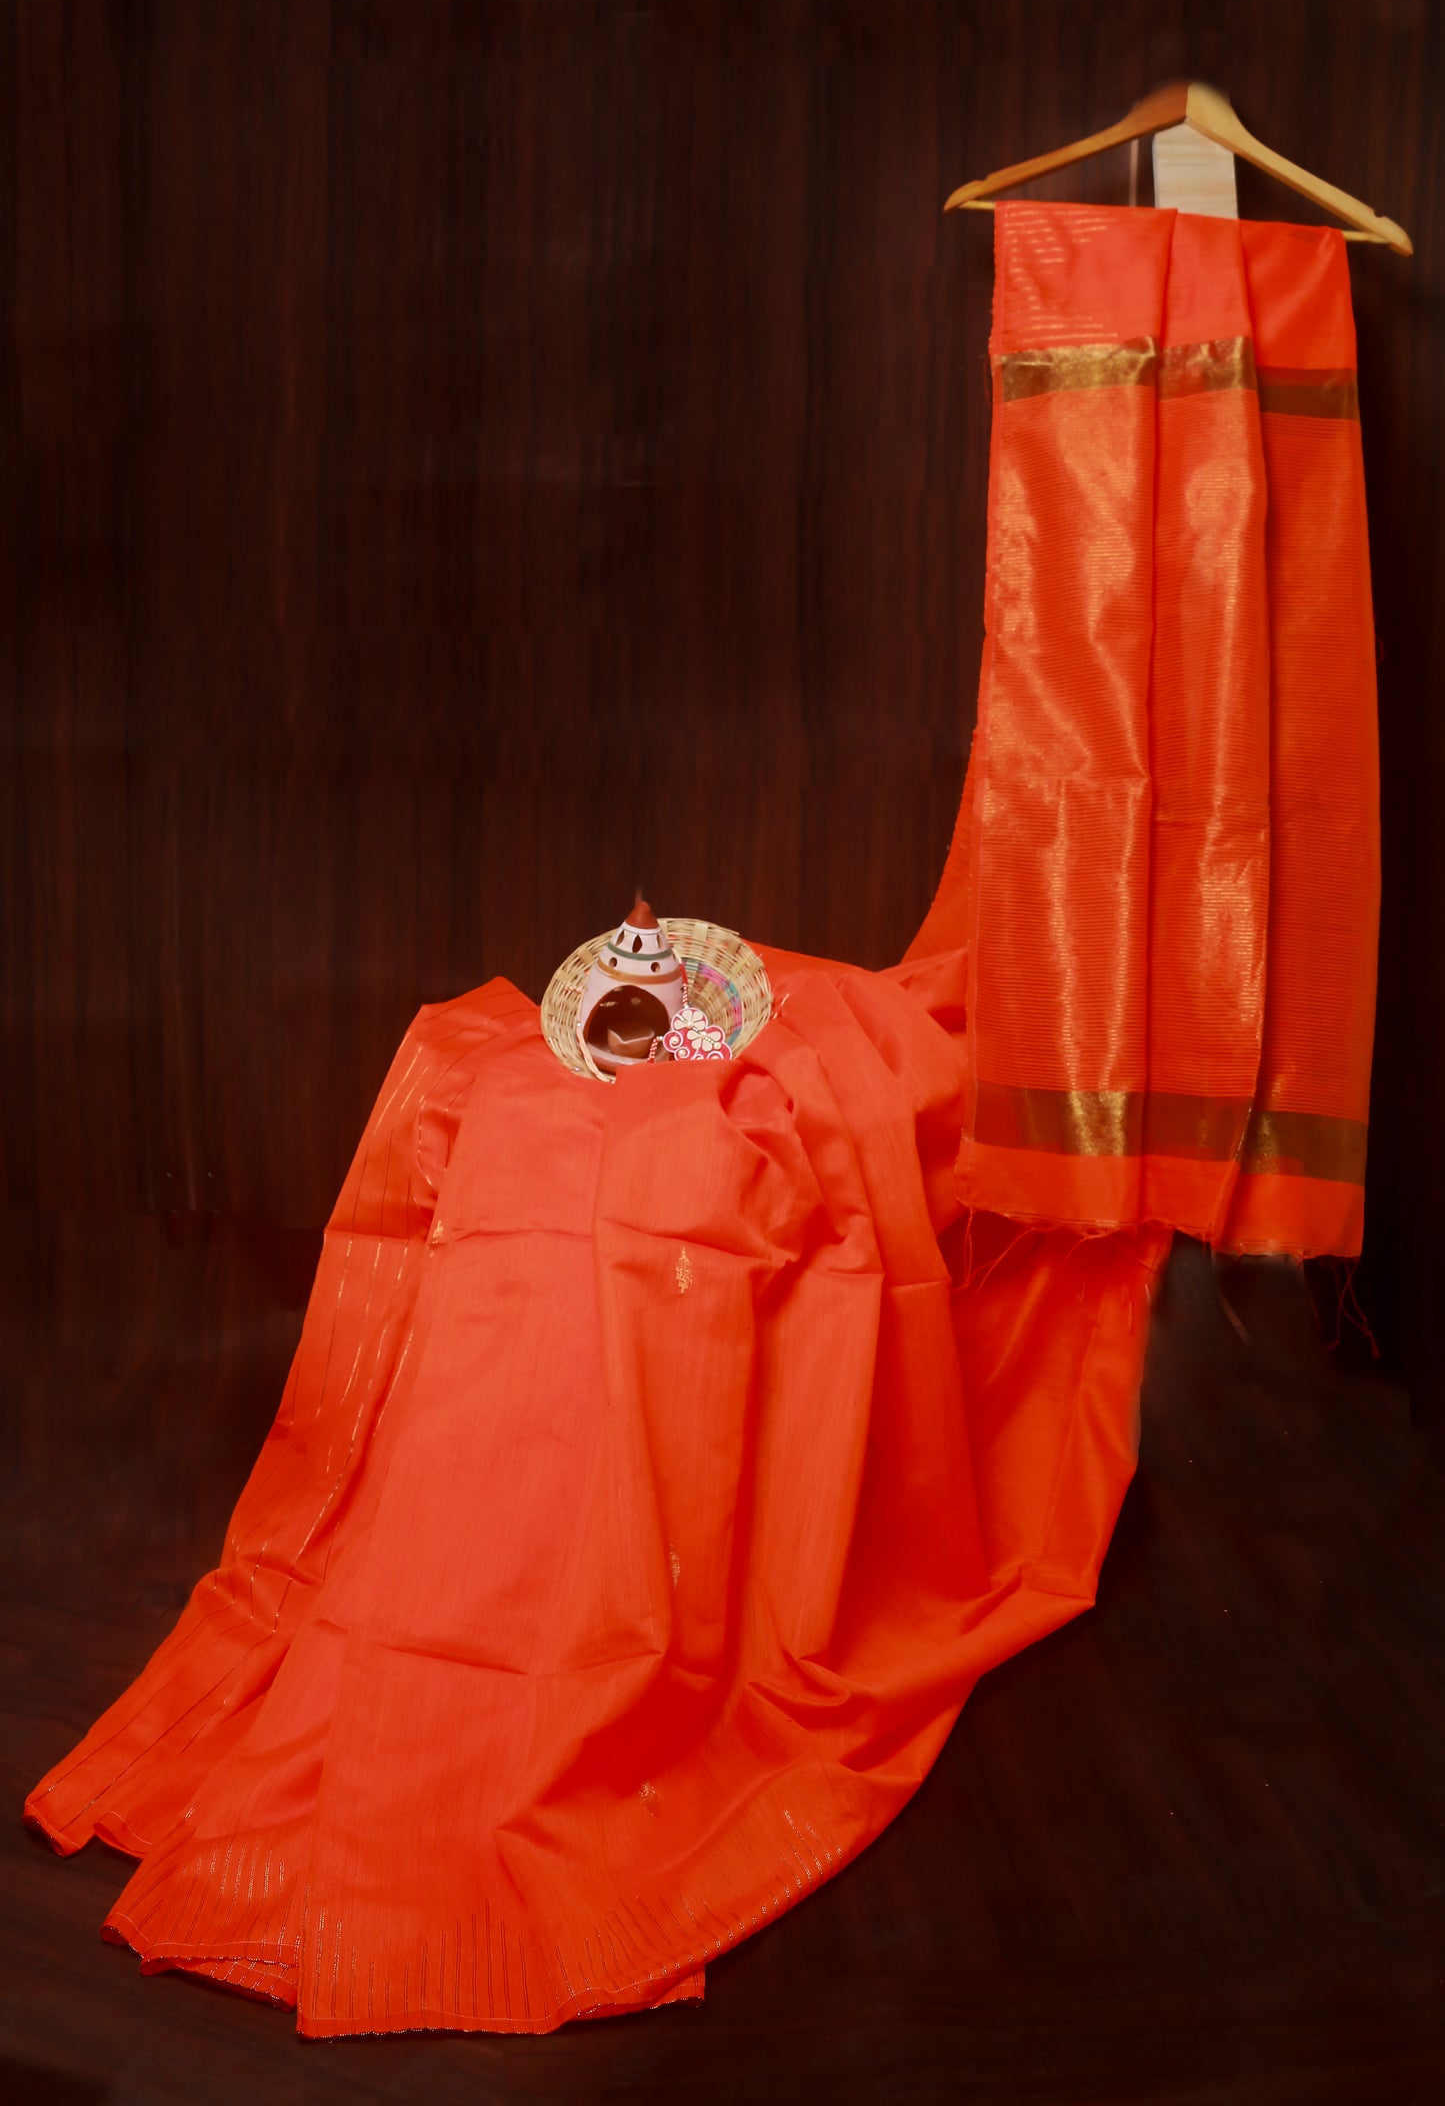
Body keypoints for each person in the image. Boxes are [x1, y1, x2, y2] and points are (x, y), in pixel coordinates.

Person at [26, 201, 1377, 2036]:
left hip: (791, 1032)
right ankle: (488, 1663)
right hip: (672, 1040)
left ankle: (541, 1675)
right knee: (566, 1157)